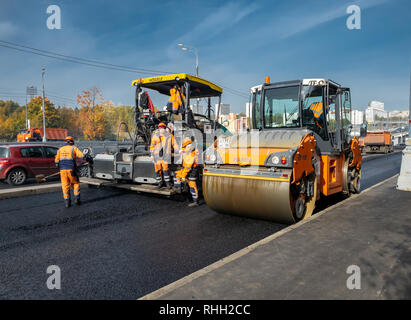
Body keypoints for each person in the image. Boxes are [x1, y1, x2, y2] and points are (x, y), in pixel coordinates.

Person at [55, 136, 84, 208]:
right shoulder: (74, 148)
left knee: (65, 186)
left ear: (66, 142)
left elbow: (56, 161)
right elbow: (81, 155)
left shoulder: (60, 149)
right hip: (71, 170)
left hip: (62, 171)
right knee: (75, 183)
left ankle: (67, 203)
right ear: (72, 142)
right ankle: (77, 199)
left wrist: (60, 167)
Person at [150, 122, 178, 188]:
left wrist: (178, 150)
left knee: (166, 169)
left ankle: (167, 183)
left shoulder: (169, 136)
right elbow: (152, 147)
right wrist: (151, 155)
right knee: (157, 170)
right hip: (157, 156)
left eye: (163, 128)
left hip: (165, 156)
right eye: (160, 128)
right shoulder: (155, 136)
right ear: (159, 129)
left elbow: (174, 144)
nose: (162, 129)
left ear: (165, 129)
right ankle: (160, 183)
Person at [174, 137, 200, 207]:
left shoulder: (191, 154)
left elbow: (187, 167)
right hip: (191, 170)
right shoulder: (191, 150)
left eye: (184, 147)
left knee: (192, 185)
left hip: (191, 171)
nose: (184, 148)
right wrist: (181, 151)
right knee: (177, 174)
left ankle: (195, 201)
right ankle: (178, 188)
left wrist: (183, 176)